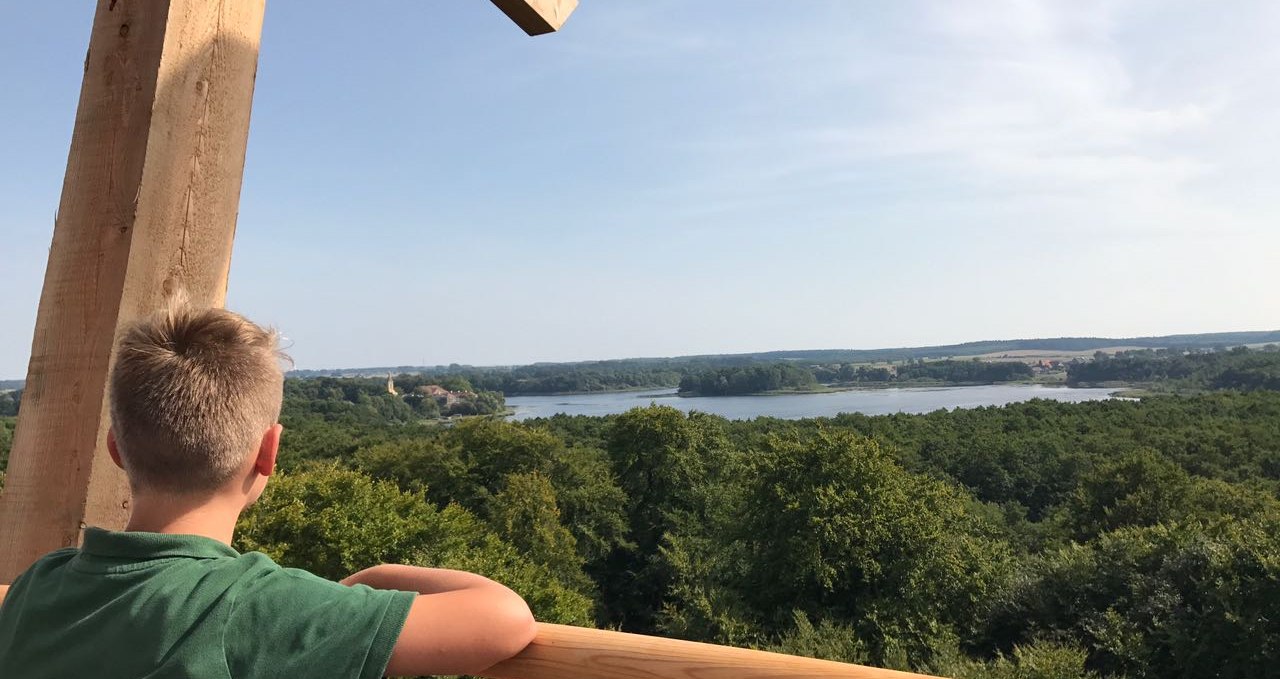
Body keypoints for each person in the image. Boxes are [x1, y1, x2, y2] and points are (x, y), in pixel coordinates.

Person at [0, 303, 537, 677]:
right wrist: (371, 580)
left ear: (116, 448)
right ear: (268, 452)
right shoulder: (261, 609)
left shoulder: (34, 590)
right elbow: (505, 620)